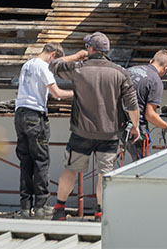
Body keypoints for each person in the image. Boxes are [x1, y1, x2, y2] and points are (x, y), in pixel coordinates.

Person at [49, 32, 139, 221]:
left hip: (81, 132)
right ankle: (100, 212)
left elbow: (54, 65)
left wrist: (76, 56)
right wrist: (136, 127)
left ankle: (59, 209)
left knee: (71, 168)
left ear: (90, 49)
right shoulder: (121, 72)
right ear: (107, 51)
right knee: (104, 173)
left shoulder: (78, 69)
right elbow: (132, 105)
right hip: (110, 134)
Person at [14, 42, 74, 218]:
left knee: (26, 162)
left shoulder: (28, 64)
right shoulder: (44, 67)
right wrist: (77, 92)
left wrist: (76, 56)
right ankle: (41, 206)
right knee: (41, 161)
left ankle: (25, 207)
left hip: (20, 115)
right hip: (35, 116)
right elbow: (57, 93)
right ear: (52, 55)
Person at [126, 49, 167, 161]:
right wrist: (166, 126)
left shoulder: (129, 70)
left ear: (151, 61)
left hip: (114, 122)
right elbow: (150, 115)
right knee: (142, 164)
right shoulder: (155, 81)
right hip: (136, 127)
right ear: (166, 68)